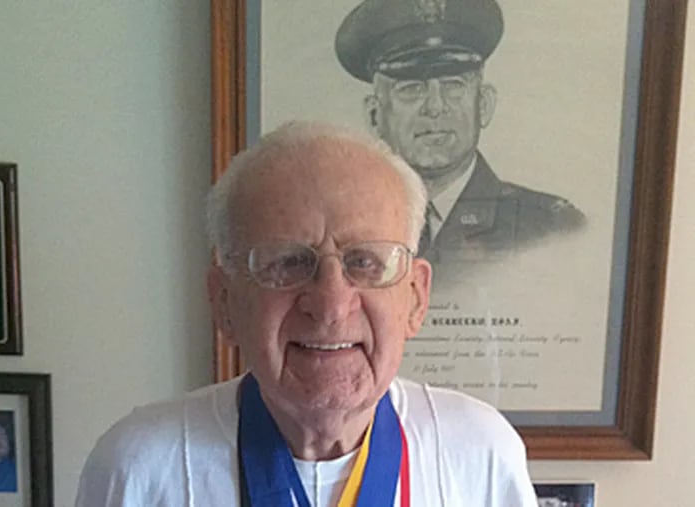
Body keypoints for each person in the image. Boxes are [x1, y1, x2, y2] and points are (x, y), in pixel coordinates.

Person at [75, 121, 538, 506]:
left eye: (365, 262)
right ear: (225, 302)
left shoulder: (480, 453)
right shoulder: (139, 466)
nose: (332, 305)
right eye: (287, 263)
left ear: (415, 298)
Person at [335, 0, 586, 285]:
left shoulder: (550, 229)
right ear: (374, 115)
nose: (435, 107)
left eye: (454, 85)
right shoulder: (338, 227)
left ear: (484, 105)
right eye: (411, 88)